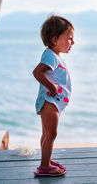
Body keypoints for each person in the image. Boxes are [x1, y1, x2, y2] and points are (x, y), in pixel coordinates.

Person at [32, 15, 74, 177]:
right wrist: (52, 86)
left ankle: (46, 161)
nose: (73, 42)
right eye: (69, 38)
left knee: (47, 134)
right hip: (50, 102)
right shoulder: (50, 55)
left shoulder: (55, 56)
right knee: (51, 134)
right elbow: (37, 72)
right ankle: (44, 166)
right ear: (55, 39)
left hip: (52, 102)